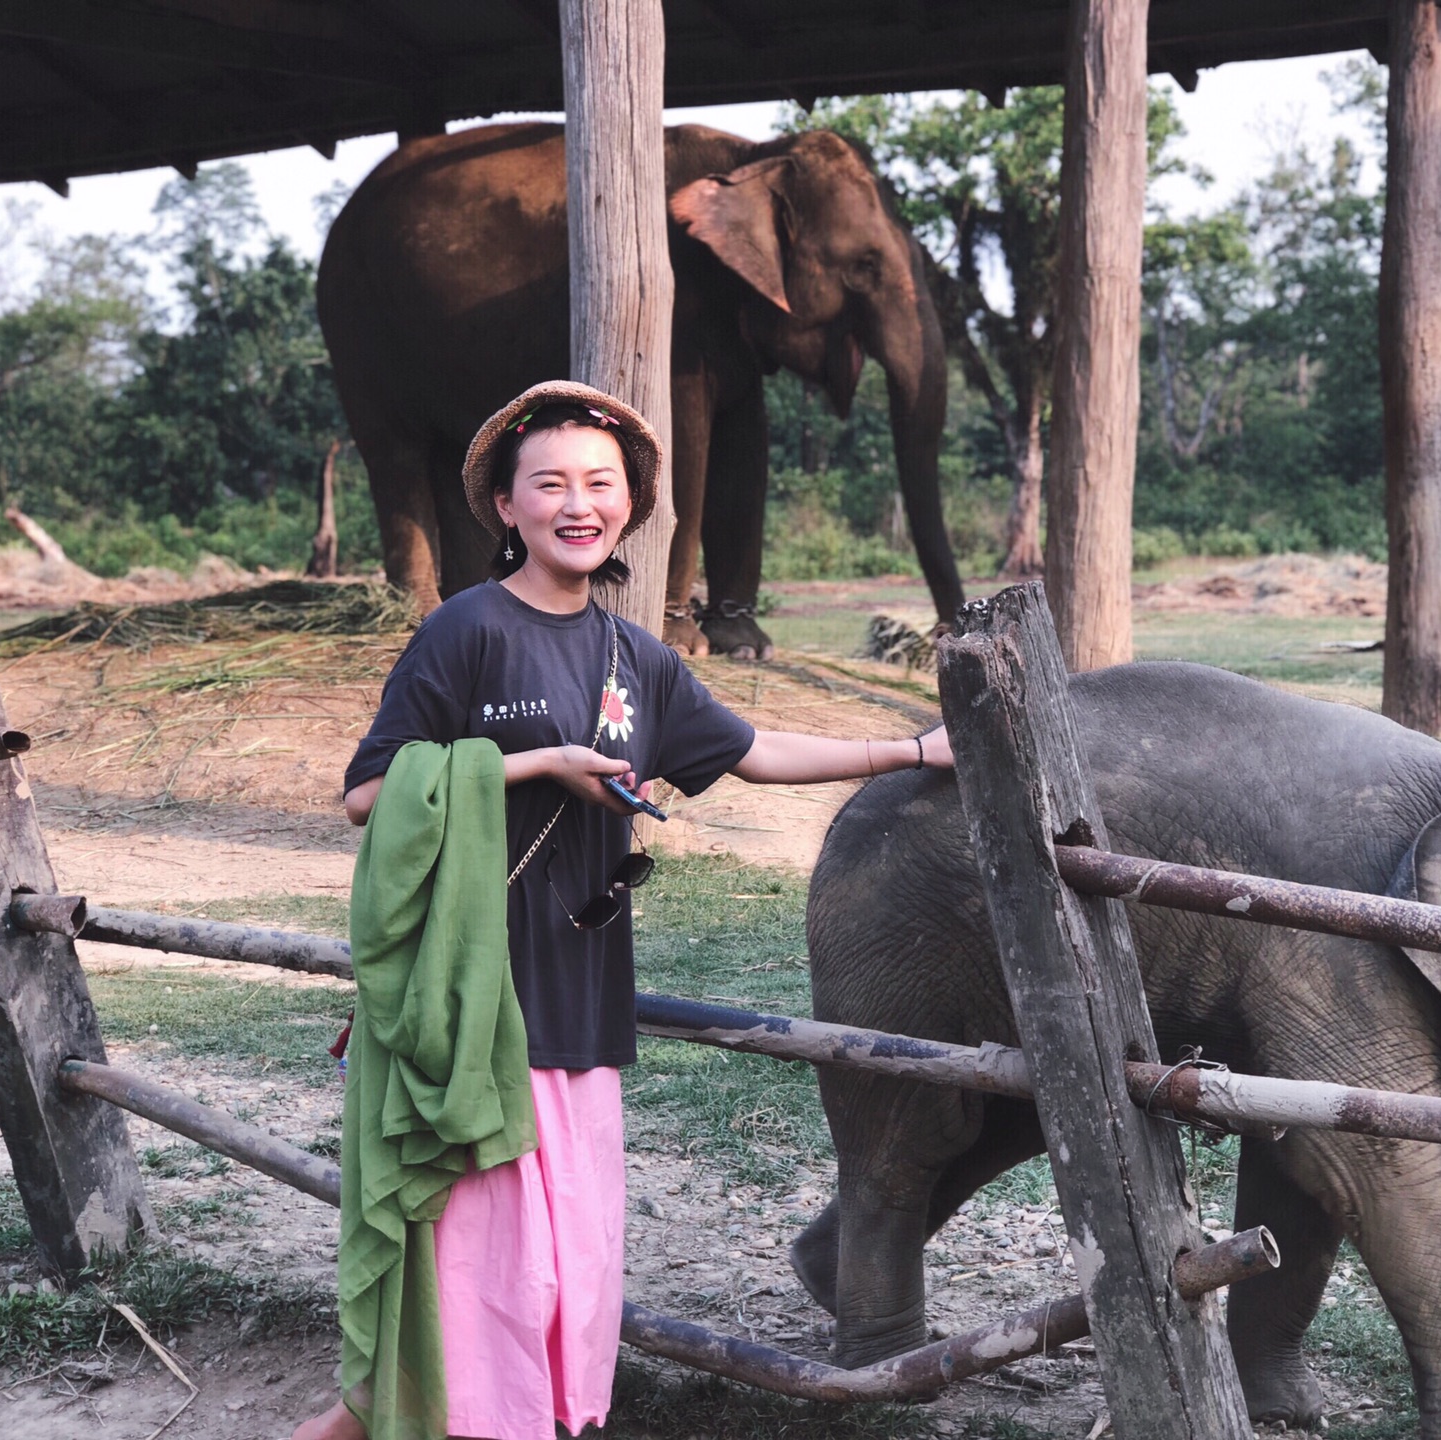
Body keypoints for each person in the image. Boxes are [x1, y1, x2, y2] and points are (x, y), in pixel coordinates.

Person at [293, 380, 953, 1440]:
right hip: (474, 996)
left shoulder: (636, 657)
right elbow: (371, 792)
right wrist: (536, 762)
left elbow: (751, 752)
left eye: (600, 484)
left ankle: (529, 1419)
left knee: (571, 1255)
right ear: (505, 507)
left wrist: (911, 751)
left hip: (581, 983)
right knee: (482, 1249)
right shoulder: (465, 632)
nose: (578, 503)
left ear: (631, 506)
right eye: (549, 482)